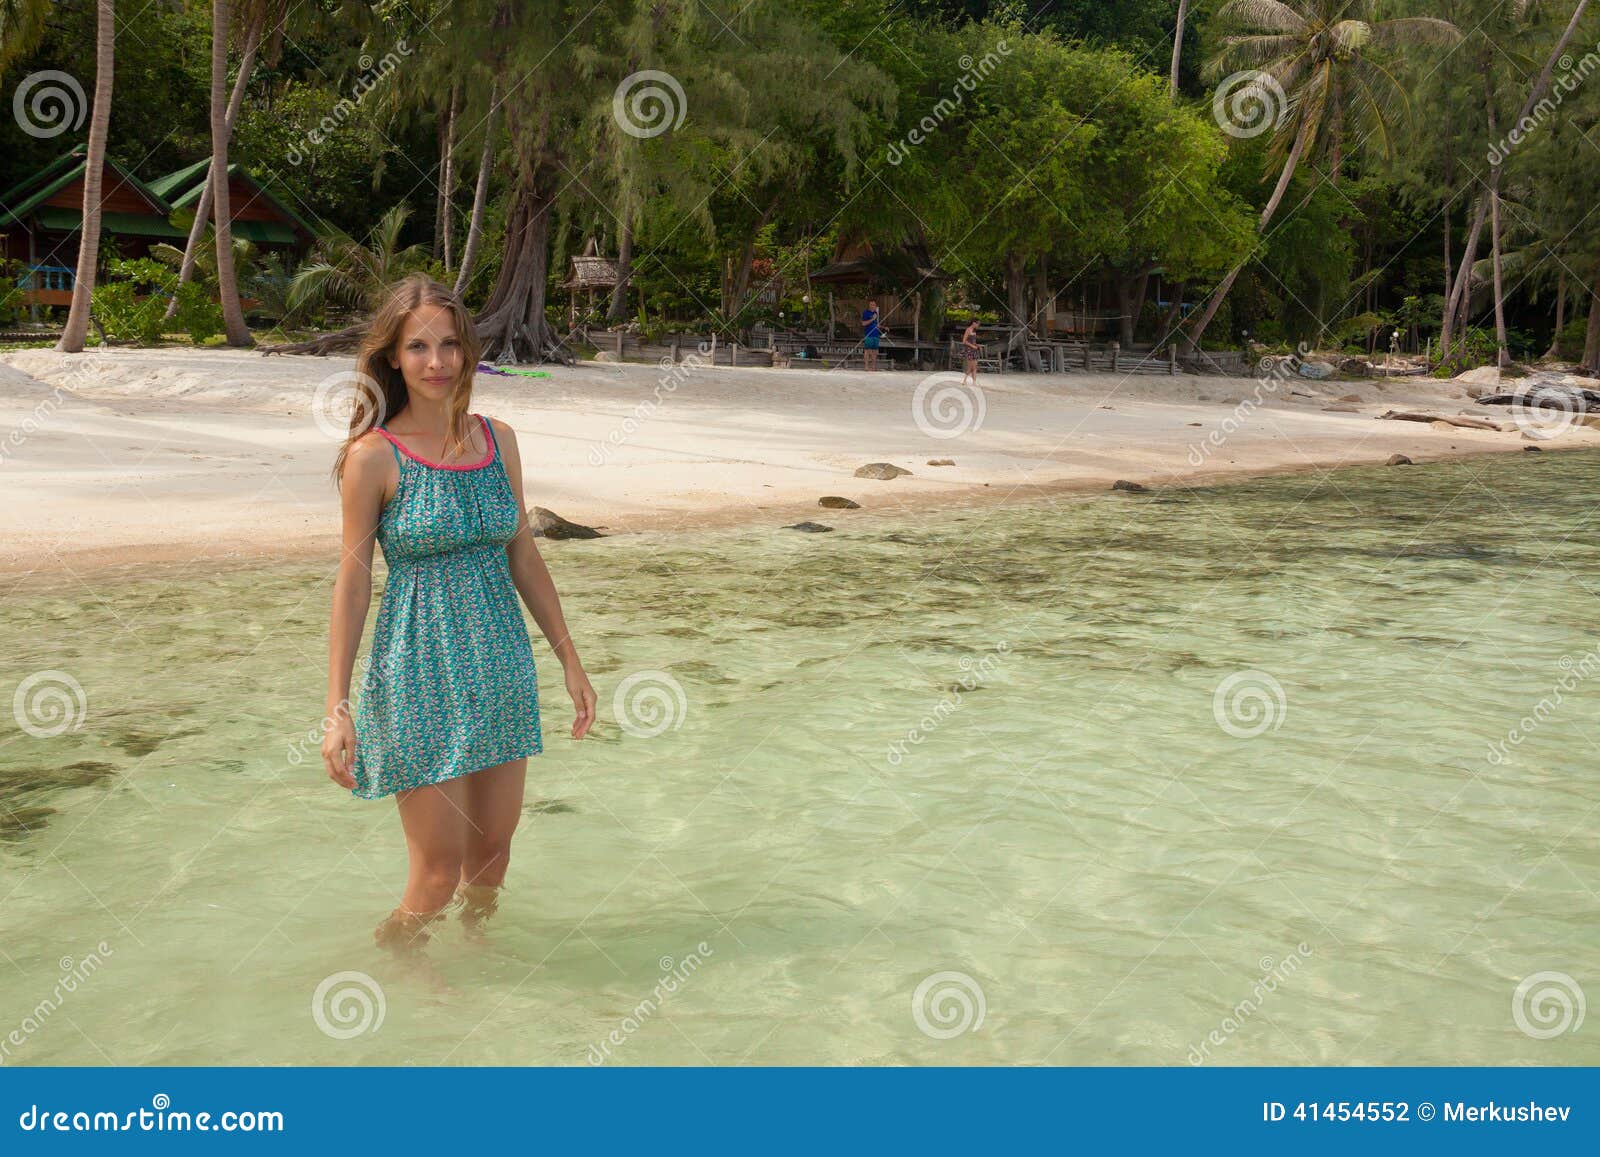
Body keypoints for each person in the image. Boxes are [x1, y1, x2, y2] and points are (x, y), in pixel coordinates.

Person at [323, 274, 597, 955]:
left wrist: (569, 658)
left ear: (469, 351)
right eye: (419, 347)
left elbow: (524, 555)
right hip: (417, 672)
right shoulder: (373, 456)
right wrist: (337, 706)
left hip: (501, 664)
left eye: (450, 344)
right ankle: (398, 952)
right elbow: (353, 584)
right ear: (392, 356)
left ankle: (480, 952)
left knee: (494, 854)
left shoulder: (498, 440)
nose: (438, 361)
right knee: (439, 872)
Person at [861, 298, 881, 371]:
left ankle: (873, 367)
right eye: (871, 305)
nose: (873, 306)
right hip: (869, 335)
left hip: (876, 334)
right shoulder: (866, 313)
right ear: (869, 305)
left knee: (875, 351)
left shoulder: (876, 313)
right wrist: (872, 319)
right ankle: (866, 367)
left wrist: (881, 326)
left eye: (874, 305)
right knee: (867, 351)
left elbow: (875, 324)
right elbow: (863, 323)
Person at [960, 318, 981, 386]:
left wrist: (976, 345)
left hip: (974, 350)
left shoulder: (974, 331)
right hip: (969, 350)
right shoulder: (968, 330)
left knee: (975, 367)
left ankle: (974, 382)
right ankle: (964, 381)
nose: (978, 325)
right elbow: (964, 341)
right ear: (973, 323)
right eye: (978, 324)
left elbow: (973, 341)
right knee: (970, 367)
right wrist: (972, 346)